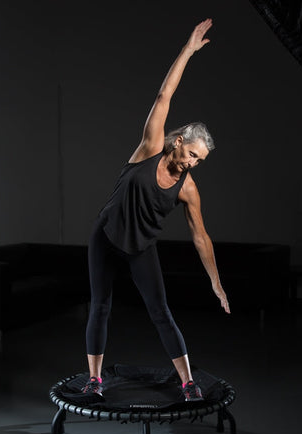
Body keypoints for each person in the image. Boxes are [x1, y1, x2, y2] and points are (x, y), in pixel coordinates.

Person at [82, 18, 230, 401]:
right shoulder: (150, 148)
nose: (192, 164)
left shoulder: (189, 188)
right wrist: (188, 50)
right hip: (106, 235)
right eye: (192, 155)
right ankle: (95, 379)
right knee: (100, 306)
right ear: (179, 141)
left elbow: (201, 236)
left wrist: (215, 281)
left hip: (141, 247)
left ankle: (187, 381)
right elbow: (164, 96)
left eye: (200, 161)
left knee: (161, 311)